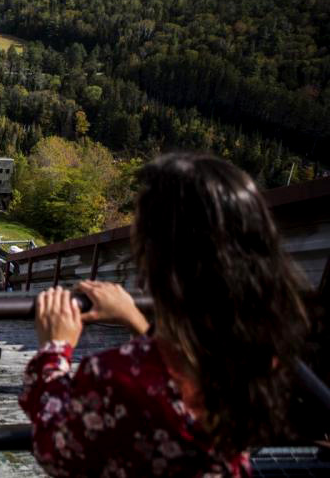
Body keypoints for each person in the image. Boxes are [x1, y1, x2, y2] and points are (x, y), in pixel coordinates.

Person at [19, 153, 309, 477]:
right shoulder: (261, 355)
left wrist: (54, 350)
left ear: (155, 258)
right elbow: (178, 376)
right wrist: (137, 322)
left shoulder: (116, 377)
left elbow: (54, 449)